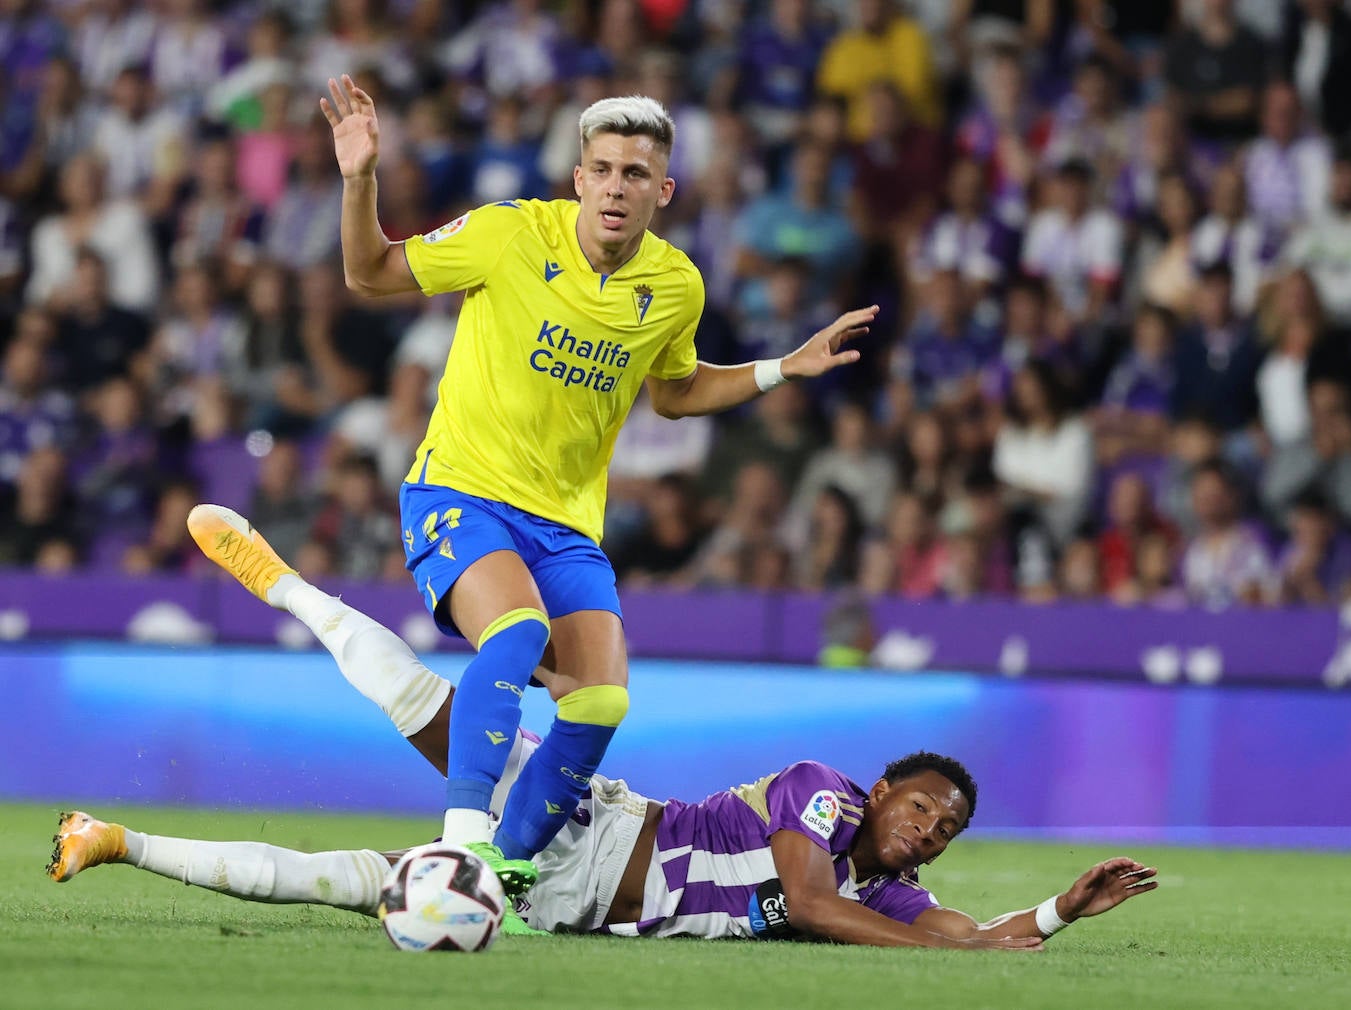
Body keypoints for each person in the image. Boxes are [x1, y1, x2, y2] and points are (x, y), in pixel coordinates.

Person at [227, 78, 875, 903]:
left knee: (601, 699)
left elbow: (674, 392)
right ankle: (458, 856)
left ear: (662, 191)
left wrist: (783, 366)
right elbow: (370, 272)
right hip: (460, 490)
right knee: (516, 633)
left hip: (565, 525)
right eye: (601, 169)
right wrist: (360, 180)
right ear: (577, 178)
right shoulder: (507, 235)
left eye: (635, 174)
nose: (615, 186)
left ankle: (509, 874)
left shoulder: (675, 287)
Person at [48, 525, 1158, 946]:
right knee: (425, 712)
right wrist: (933, 943)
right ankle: (286, 582)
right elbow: (811, 906)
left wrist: (1062, 908)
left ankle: (114, 838)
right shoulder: (824, 795)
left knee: (333, 884)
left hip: (556, 903)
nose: (930, 829)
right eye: (923, 803)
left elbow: (972, 939)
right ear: (880, 790)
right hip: (584, 822)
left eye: (948, 827)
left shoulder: (892, 901)